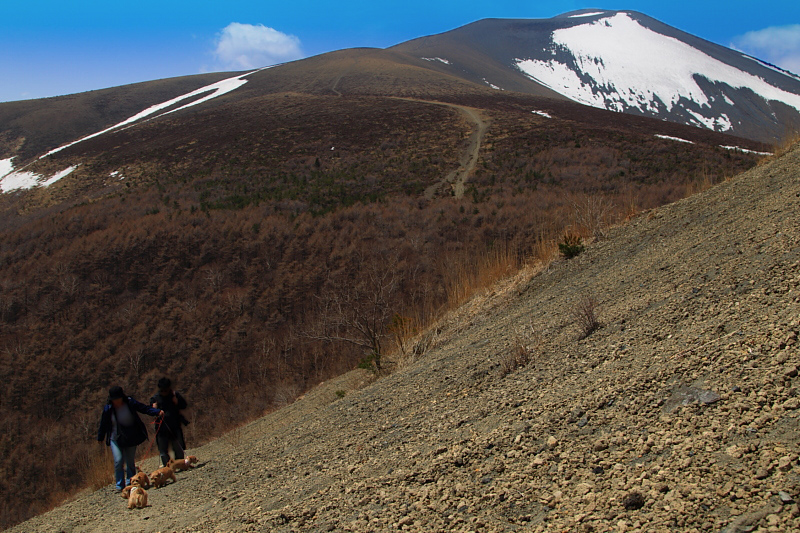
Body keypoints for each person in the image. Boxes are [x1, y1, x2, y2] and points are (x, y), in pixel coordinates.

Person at [97, 386, 163, 491]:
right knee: (118, 460)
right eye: (114, 399)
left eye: (118, 398)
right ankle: (119, 485)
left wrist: (156, 412)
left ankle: (131, 482)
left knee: (130, 461)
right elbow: (103, 424)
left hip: (131, 436)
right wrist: (100, 437)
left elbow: (143, 408)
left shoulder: (130, 402)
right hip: (115, 438)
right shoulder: (108, 408)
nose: (116, 401)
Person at [150, 377, 189, 467]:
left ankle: (179, 464)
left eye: (166, 390)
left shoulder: (175, 395)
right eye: (162, 390)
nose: (164, 392)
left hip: (175, 425)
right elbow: (150, 412)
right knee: (163, 450)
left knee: (178, 447)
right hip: (161, 428)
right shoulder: (155, 399)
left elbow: (184, 405)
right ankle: (167, 467)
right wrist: (154, 409)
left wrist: (177, 402)